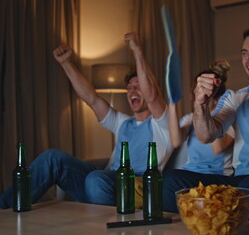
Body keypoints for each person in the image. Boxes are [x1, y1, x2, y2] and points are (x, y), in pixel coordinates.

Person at [0, 32, 173, 209]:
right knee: (53, 158)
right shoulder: (123, 122)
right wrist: (66, 63)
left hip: (132, 188)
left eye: (138, 87)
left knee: (95, 179)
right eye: (129, 88)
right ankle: (4, 209)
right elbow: (92, 99)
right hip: (103, 184)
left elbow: (153, 97)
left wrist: (137, 51)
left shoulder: (162, 123)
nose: (132, 91)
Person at [163, 25, 249, 221]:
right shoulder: (236, 97)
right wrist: (200, 103)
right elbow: (206, 135)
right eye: (245, 53)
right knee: (172, 179)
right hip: (239, 179)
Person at [168, 59, 234, 176]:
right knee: (170, 177)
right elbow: (176, 141)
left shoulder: (227, 118)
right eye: (196, 93)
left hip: (218, 176)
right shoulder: (190, 118)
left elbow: (218, 148)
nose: (196, 97)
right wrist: (173, 102)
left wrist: (205, 105)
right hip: (191, 173)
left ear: (217, 99)